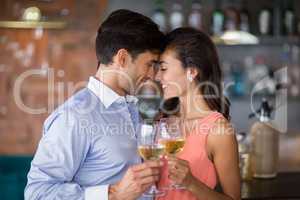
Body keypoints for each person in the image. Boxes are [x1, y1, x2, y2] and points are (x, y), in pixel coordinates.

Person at [25, 9, 165, 200]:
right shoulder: (74, 116)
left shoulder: (135, 109)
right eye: (149, 64)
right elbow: (37, 194)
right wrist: (113, 194)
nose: (153, 75)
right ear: (122, 58)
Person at [155, 27, 241, 200]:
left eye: (163, 69)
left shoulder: (218, 130)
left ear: (192, 72)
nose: (157, 76)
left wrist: (191, 183)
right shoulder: (163, 121)